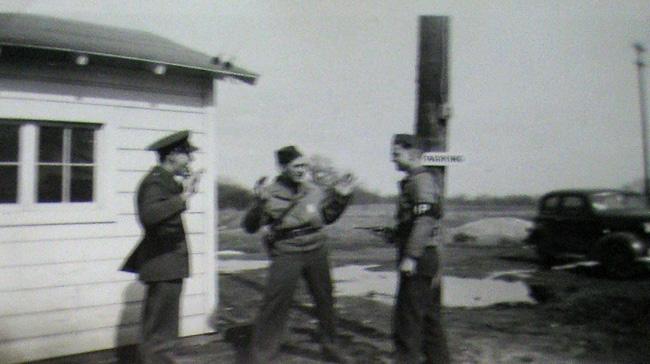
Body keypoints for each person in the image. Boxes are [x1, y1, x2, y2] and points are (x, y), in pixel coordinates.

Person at [241, 145, 355, 364]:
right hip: (287, 250)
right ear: (282, 167)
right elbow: (249, 226)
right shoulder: (269, 192)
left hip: (316, 248)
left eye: (304, 165)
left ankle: (330, 346)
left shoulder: (313, 190)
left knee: (325, 299)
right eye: (296, 166)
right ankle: (262, 356)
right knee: (275, 303)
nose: (302, 170)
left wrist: (341, 198)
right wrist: (259, 204)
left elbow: (327, 217)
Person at [120, 130, 202, 364]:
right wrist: (184, 196)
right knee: (159, 330)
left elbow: (165, 214)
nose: (191, 160)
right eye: (187, 154)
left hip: (167, 261)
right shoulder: (155, 182)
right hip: (163, 260)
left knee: (162, 326)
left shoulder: (165, 181)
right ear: (173, 155)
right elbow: (150, 215)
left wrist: (183, 190)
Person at [390, 134, 449, 364]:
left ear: (413, 153)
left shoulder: (420, 180)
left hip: (420, 257)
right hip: (425, 256)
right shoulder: (420, 179)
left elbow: (425, 218)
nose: (393, 159)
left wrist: (411, 256)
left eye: (396, 154)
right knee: (428, 318)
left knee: (408, 320)